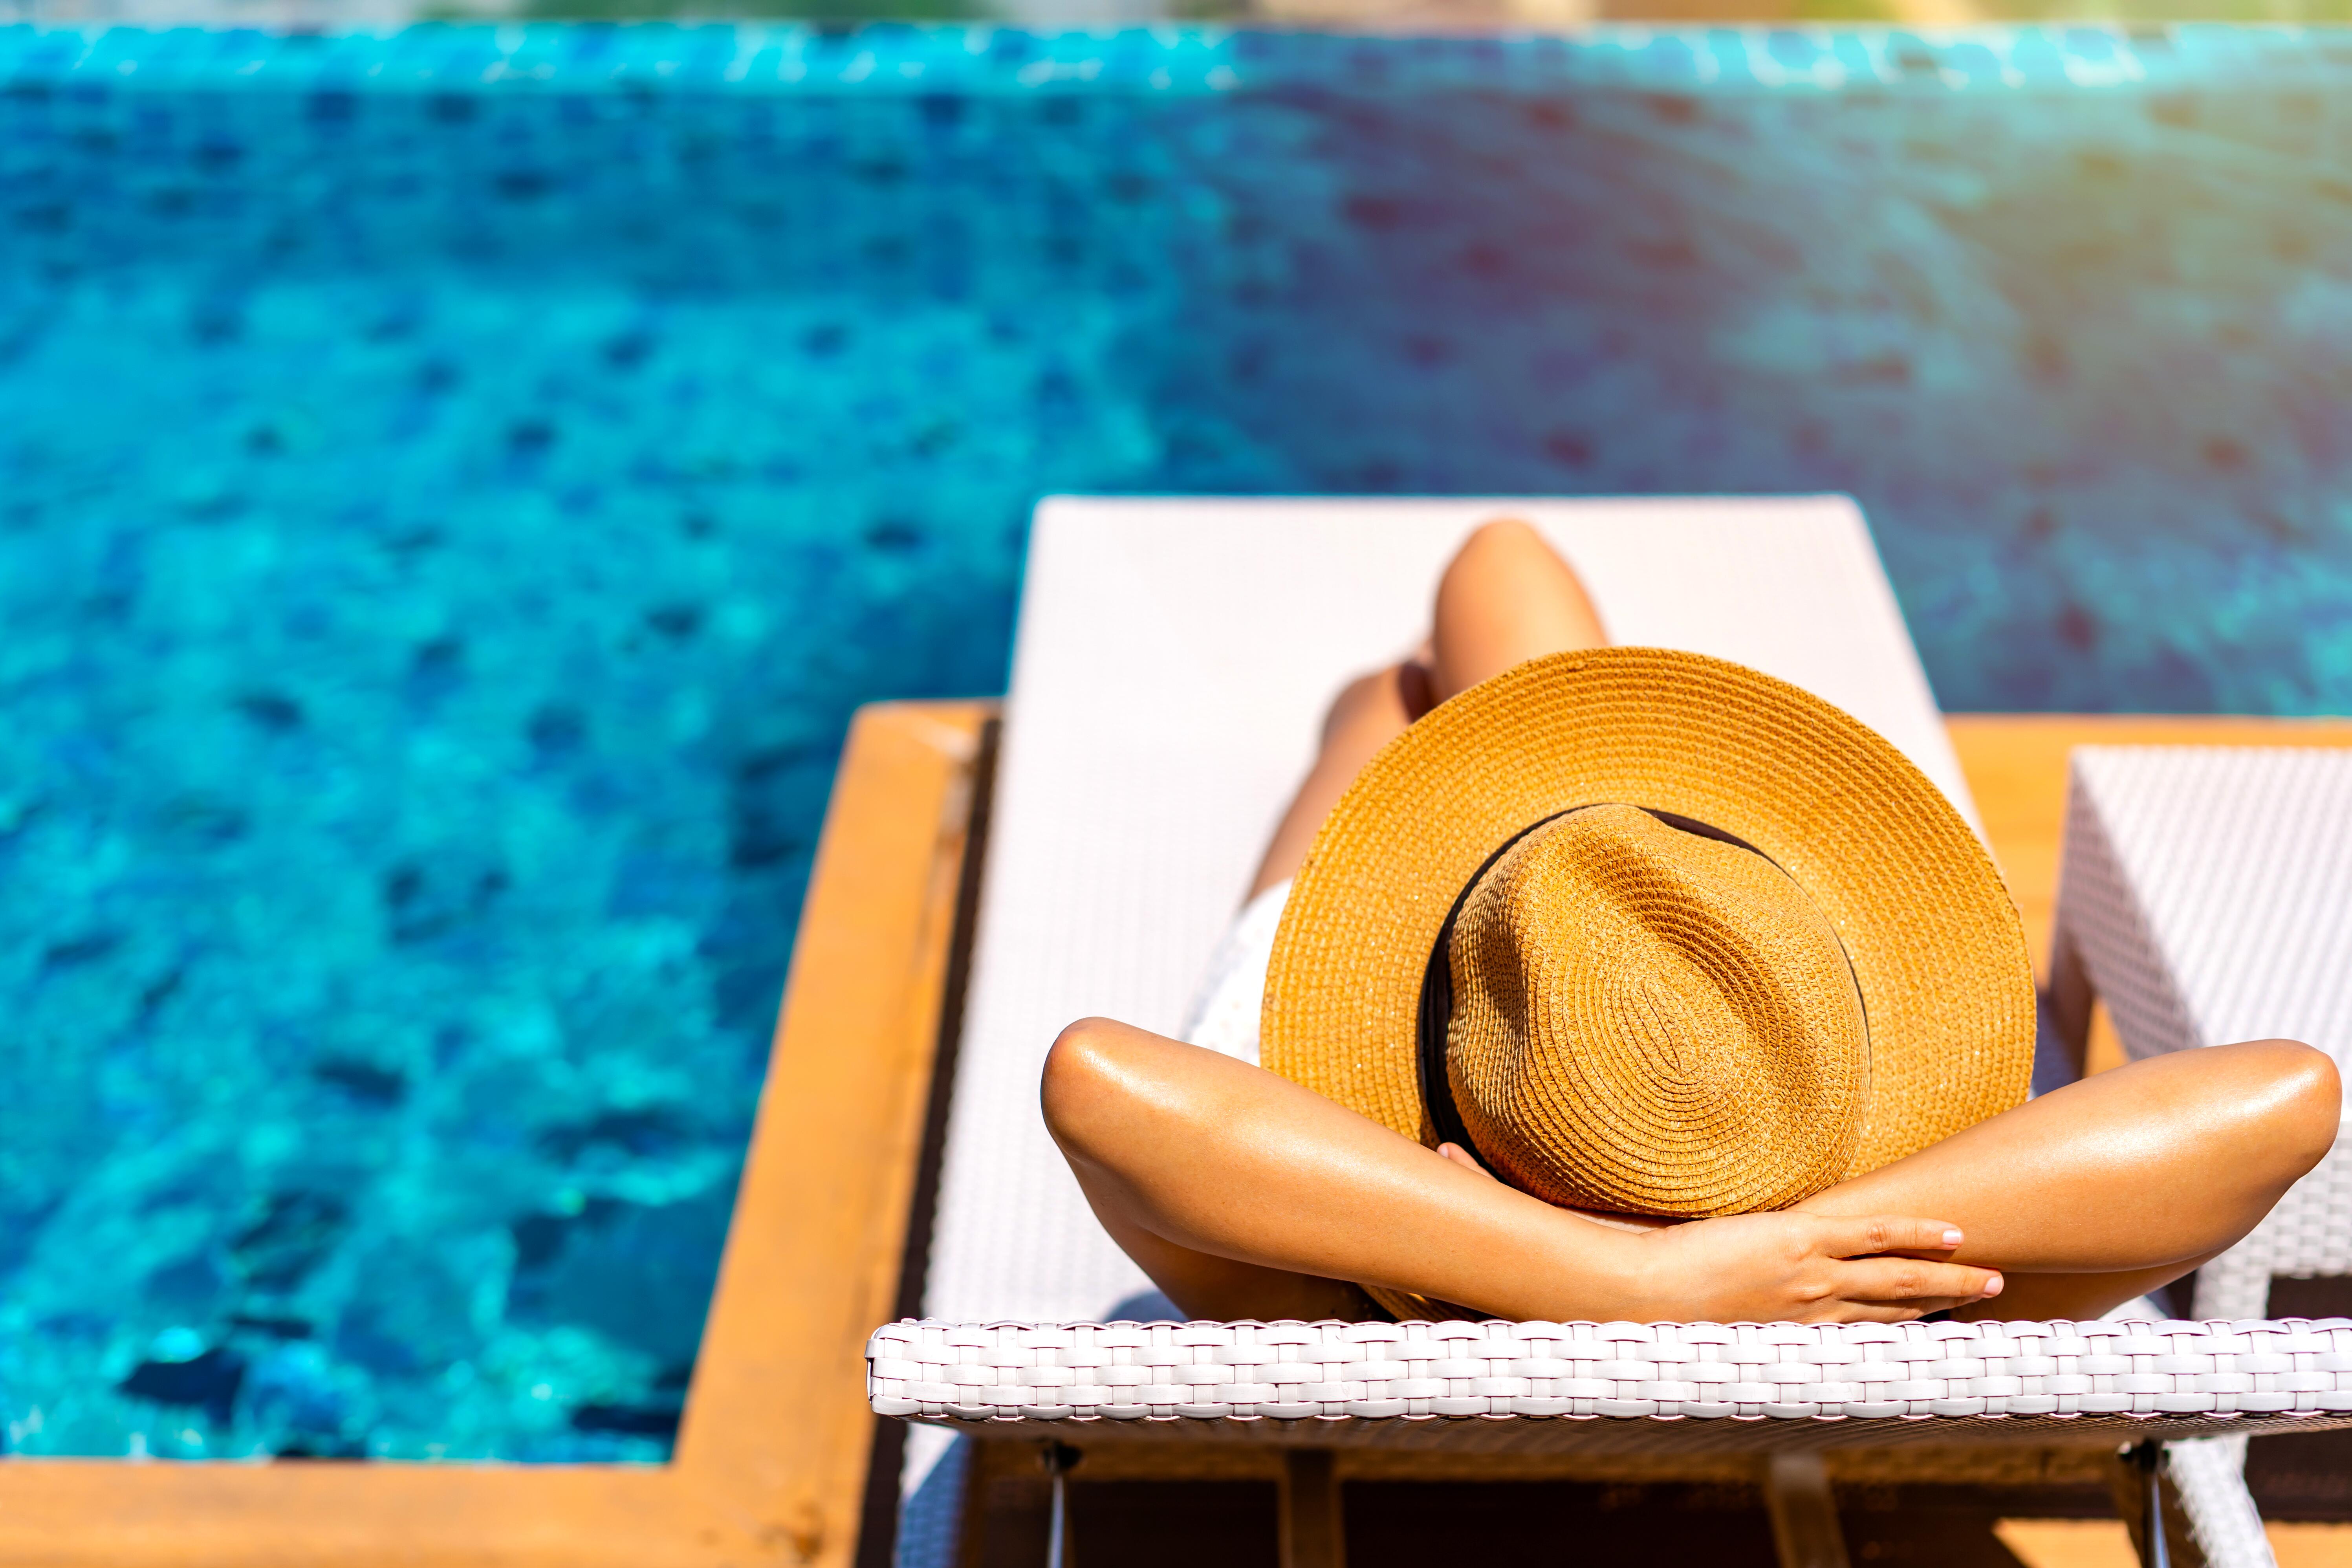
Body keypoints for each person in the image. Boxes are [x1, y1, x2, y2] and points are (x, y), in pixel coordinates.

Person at [1040, 520, 2341, 1326]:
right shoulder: (1897, 1306)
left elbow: (1101, 1087)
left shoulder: (1337, 1294)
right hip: (1815, 1188)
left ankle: (1397, 717)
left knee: (1390, 696)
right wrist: (1773, 1249)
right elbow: (2284, 1098)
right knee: (1452, 669)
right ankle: (1446, 737)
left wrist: (1621, 1283)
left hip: (1391, 1154)